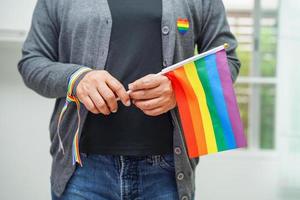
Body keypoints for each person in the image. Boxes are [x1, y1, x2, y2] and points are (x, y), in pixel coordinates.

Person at [18, 0, 240, 199]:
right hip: (81, 171)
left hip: (168, 172)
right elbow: (32, 61)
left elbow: (227, 60)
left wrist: (180, 89)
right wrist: (77, 79)